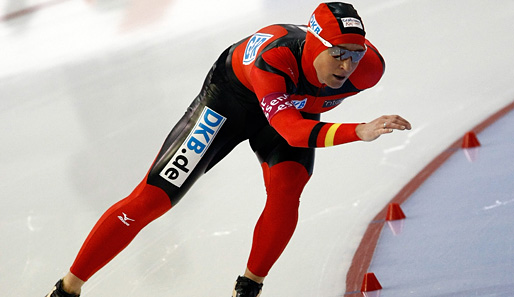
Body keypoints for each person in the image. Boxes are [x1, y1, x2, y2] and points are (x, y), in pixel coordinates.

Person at [45, 2, 411, 297]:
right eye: (338, 55)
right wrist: (358, 130)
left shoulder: (369, 68)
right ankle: (68, 288)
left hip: (291, 106)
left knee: (286, 194)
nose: (347, 66)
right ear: (314, 45)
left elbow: (296, 121)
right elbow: (292, 132)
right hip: (230, 102)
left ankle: (249, 288)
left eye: (355, 54)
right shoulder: (273, 58)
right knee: (152, 199)